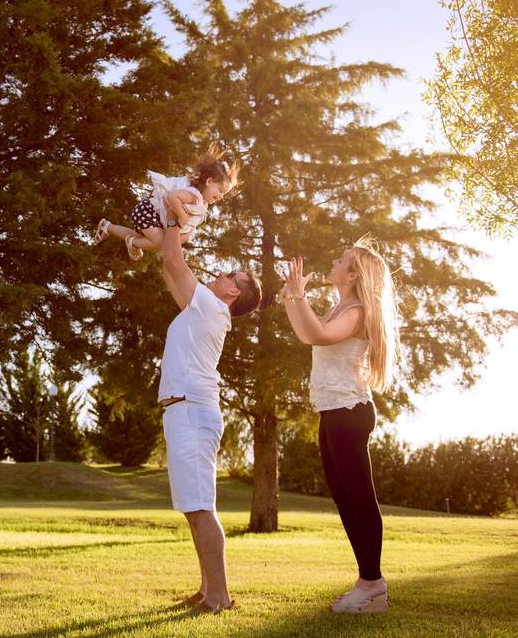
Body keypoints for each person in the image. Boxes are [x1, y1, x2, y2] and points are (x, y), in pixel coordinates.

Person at [279, 236, 400, 614]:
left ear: (352, 274)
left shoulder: (358, 312)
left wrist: (299, 297)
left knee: (360, 499)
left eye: (342, 258)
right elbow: (306, 334)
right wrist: (292, 296)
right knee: (345, 498)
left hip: (349, 413)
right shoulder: (340, 307)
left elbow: (316, 334)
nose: (334, 260)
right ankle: (368, 582)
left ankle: (372, 585)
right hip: (333, 412)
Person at [158, 222, 262, 614]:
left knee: (200, 507)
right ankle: (207, 590)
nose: (218, 275)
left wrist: (171, 218)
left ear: (233, 292)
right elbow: (168, 267)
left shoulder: (211, 306)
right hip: (183, 411)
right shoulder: (200, 306)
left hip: (192, 412)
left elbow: (172, 258)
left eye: (227, 275)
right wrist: (160, 238)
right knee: (193, 506)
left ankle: (219, 597)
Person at [93, 146, 240, 260]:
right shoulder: (194, 195)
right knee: (157, 242)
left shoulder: (202, 204)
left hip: (156, 216)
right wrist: (182, 217)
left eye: (224, 195)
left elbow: (190, 225)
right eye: (220, 190)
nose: (221, 196)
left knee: (144, 239)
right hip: (149, 211)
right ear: (209, 182)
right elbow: (172, 196)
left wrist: (180, 237)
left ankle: (107, 227)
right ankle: (131, 243)